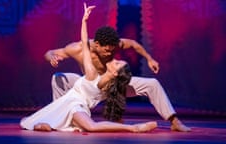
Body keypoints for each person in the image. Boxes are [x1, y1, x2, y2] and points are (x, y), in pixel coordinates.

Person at [45, 6, 191, 133]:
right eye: (106, 51)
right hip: (89, 87)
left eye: (112, 50)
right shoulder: (78, 49)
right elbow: (50, 52)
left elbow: (134, 44)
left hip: (112, 85)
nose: (110, 53)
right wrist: (52, 56)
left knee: (152, 83)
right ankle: (59, 117)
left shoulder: (116, 44)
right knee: (57, 77)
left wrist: (149, 59)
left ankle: (174, 121)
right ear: (96, 44)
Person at [20, 3, 157, 133]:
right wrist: (84, 20)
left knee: (88, 126)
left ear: (115, 73)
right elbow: (85, 44)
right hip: (72, 103)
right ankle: (134, 128)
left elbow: (116, 95)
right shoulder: (92, 73)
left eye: (117, 63)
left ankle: (48, 124)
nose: (115, 60)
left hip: (81, 108)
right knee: (91, 126)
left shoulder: (109, 88)